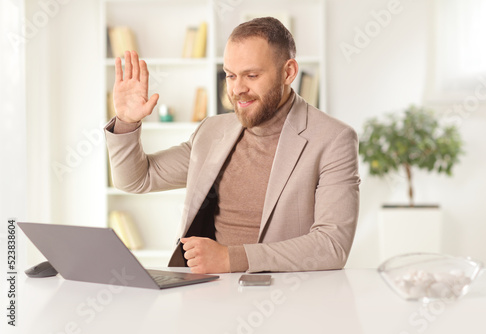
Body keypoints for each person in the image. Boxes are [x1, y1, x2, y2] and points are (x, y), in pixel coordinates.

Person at [104, 17, 360, 274]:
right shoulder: (211, 132)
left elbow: (332, 246)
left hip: (286, 298)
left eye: (251, 75)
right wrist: (127, 121)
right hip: (210, 293)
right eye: (230, 75)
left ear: (288, 72)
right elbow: (136, 180)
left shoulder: (333, 139)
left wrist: (232, 258)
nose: (237, 89)